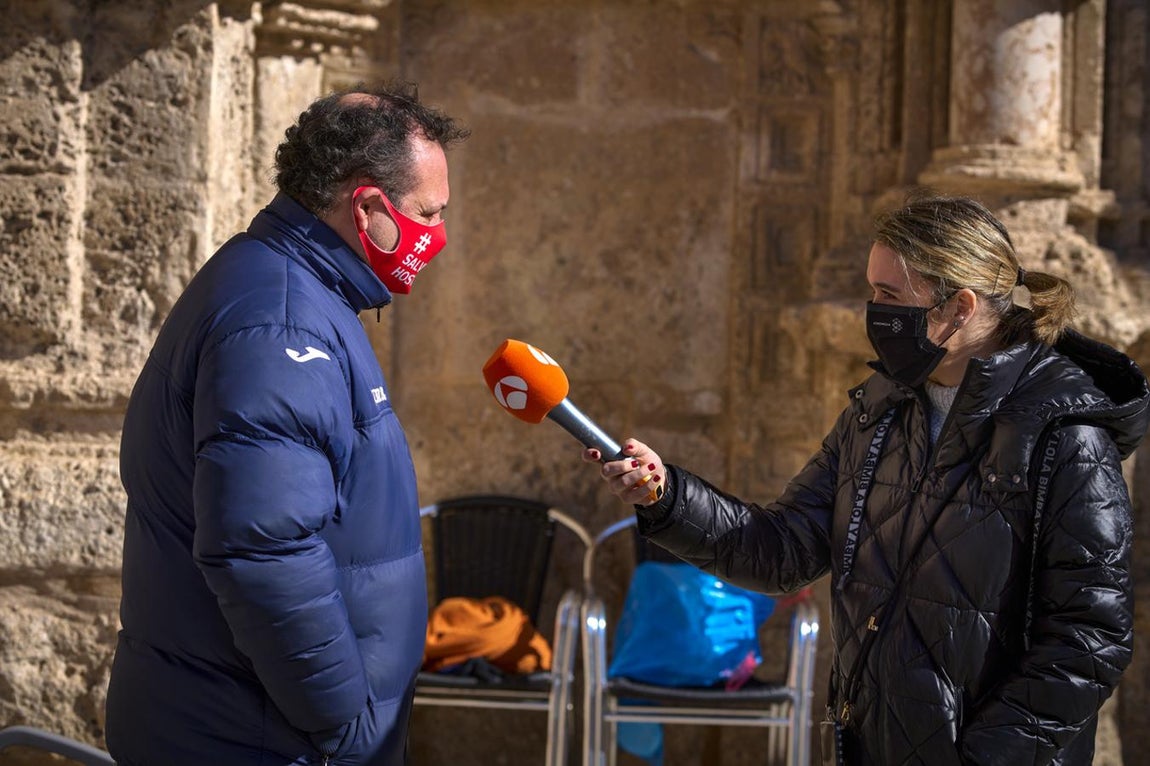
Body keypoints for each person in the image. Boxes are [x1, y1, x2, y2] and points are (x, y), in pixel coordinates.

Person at [586, 194, 1150, 765]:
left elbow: (1088, 638)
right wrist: (668, 496)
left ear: (960, 306)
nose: (874, 310)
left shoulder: (1066, 433)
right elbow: (781, 550)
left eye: (889, 294)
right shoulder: (879, 410)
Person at [105, 82, 469, 765]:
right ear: (368, 208)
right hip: (257, 739)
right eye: (427, 213)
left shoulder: (294, 292)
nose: (437, 237)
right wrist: (347, 724)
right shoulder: (282, 320)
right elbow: (262, 551)